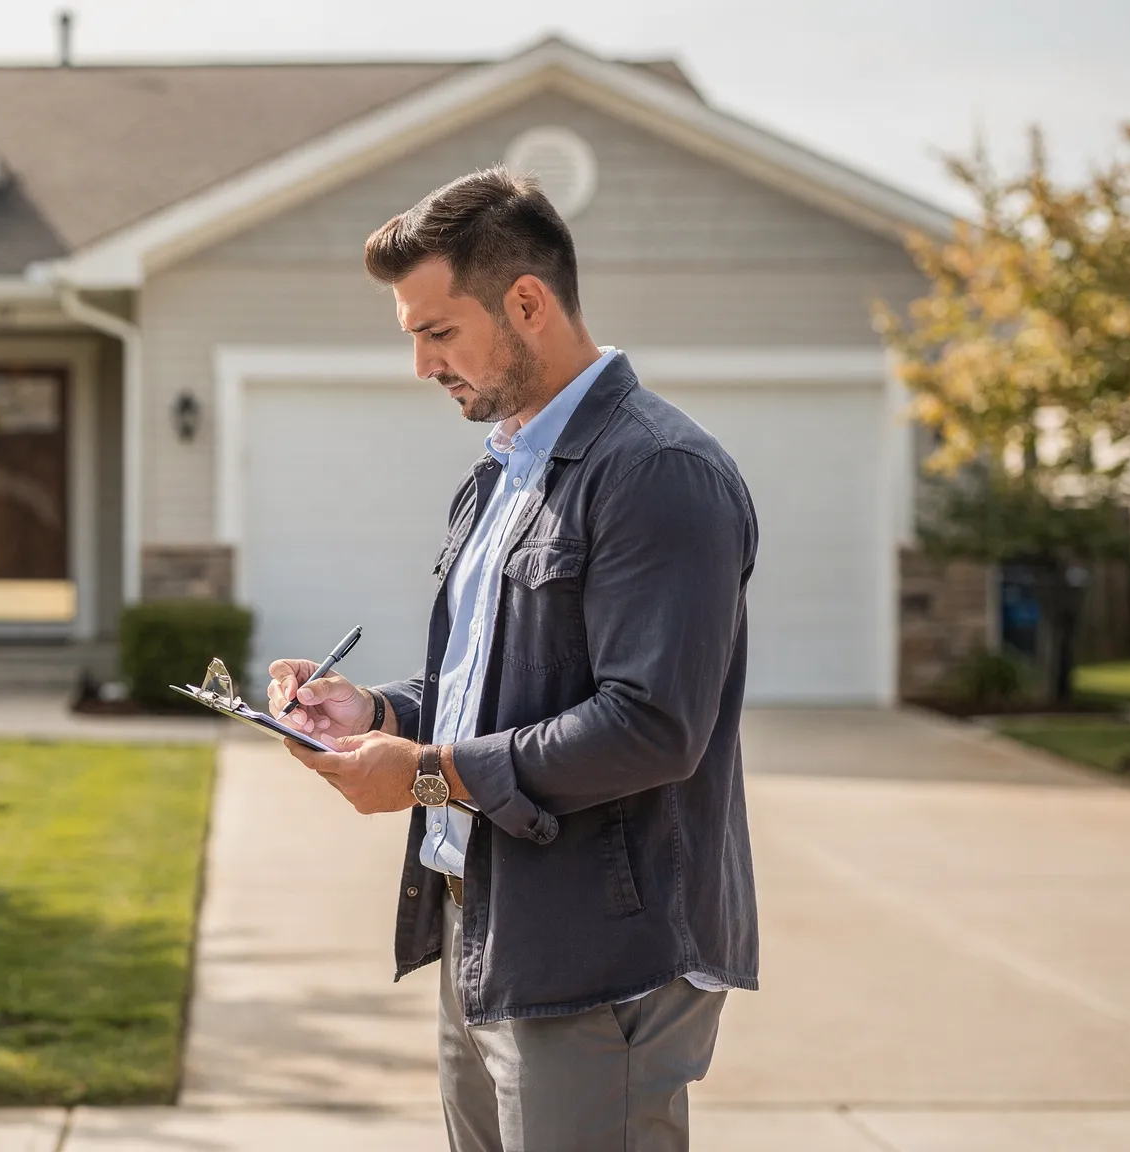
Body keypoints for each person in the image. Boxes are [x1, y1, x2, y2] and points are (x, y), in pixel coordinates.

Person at [265, 167, 760, 1152]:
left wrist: (425, 778)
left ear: (525, 304)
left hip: (599, 954)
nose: (418, 365)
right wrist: (375, 713)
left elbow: (651, 726)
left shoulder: (656, 473)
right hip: (482, 924)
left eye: (436, 332)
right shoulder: (499, 473)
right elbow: (488, 688)